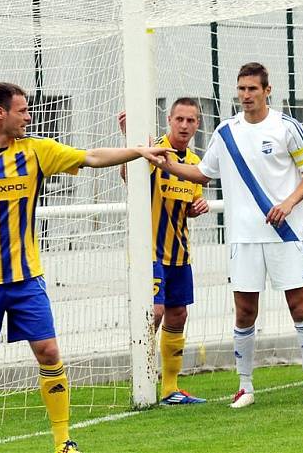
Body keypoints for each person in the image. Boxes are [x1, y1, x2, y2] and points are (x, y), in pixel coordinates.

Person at [0, 82, 170, 453]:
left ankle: (63, 441)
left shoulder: (36, 151)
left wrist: (138, 151)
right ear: (0, 113)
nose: (29, 116)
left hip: (27, 279)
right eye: (22, 110)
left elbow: (91, 157)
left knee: (48, 351)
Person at [150, 63, 303, 407]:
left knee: (299, 305)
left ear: (267, 91)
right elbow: (201, 173)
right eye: (241, 89)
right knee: (244, 311)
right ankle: (245, 386)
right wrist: (165, 164)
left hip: (284, 234)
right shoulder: (225, 132)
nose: (246, 95)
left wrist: (287, 204)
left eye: (252, 89)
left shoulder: (287, 128)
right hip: (243, 238)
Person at [117, 99, 210, 404]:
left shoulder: (194, 161)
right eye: (179, 119)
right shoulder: (154, 150)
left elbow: (191, 204)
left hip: (180, 252)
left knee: (177, 314)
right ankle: (142, 378)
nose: (184, 125)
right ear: (169, 119)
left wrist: (199, 207)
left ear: (197, 124)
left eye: (191, 120)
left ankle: (170, 388)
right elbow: (129, 178)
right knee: (153, 312)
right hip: (151, 252)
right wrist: (128, 142)